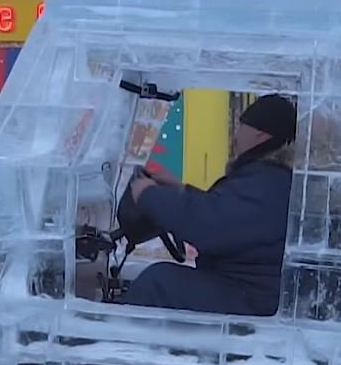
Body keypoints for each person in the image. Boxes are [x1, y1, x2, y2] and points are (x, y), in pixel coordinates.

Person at [119, 93, 297, 316]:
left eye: (241, 128)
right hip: (244, 291)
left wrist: (146, 194)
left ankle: (116, 346)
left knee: (158, 284)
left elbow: (209, 224)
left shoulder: (267, 183)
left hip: (250, 301)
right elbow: (224, 209)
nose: (236, 135)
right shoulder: (266, 177)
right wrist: (181, 188)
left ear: (259, 135)